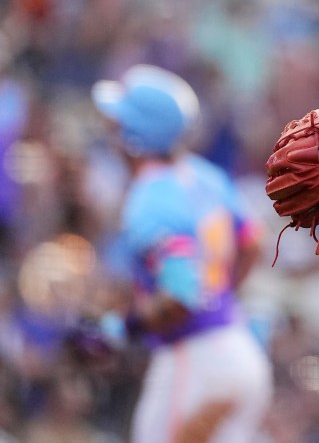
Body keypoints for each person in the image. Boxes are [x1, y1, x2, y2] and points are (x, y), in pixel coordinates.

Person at [89, 64, 272, 443]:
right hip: (240, 353)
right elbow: (253, 242)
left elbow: (181, 293)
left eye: (118, 124)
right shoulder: (206, 176)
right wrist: (219, 295)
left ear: (133, 137)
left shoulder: (150, 196)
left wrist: (122, 329)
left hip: (196, 361)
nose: (112, 133)